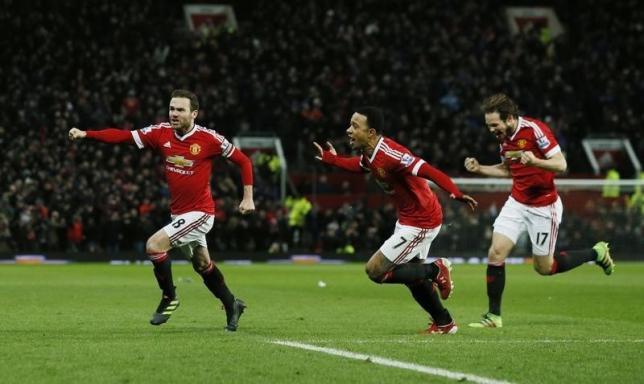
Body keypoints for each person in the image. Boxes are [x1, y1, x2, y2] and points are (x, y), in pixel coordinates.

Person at [68, 89, 255, 331]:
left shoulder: (209, 139)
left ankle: (169, 297)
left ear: (194, 114)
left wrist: (248, 197)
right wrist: (87, 134)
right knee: (202, 264)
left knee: (154, 246)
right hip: (179, 214)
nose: (174, 113)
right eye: (171, 108)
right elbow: (124, 136)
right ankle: (232, 304)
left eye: (180, 110)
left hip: (201, 213)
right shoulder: (160, 133)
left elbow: (244, 161)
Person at [314, 106, 478, 334]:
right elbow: (359, 166)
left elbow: (428, 170)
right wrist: (333, 160)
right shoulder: (369, 154)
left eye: (354, 126)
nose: (348, 130)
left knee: (375, 270)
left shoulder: (391, 154)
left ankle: (436, 270)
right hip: (408, 218)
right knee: (414, 278)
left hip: (423, 220)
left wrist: (455, 192)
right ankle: (444, 323)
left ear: (371, 132)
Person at [464, 93, 615, 328]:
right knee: (495, 253)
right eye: (488, 125)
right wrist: (479, 168)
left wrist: (535, 161)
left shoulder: (535, 130)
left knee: (544, 267)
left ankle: (596, 253)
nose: (491, 130)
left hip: (544, 206)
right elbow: (508, 170)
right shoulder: (504, 139)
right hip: (517, 202)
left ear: (510, 119)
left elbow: (561, 164)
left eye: (494, 125)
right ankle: (493, 316)